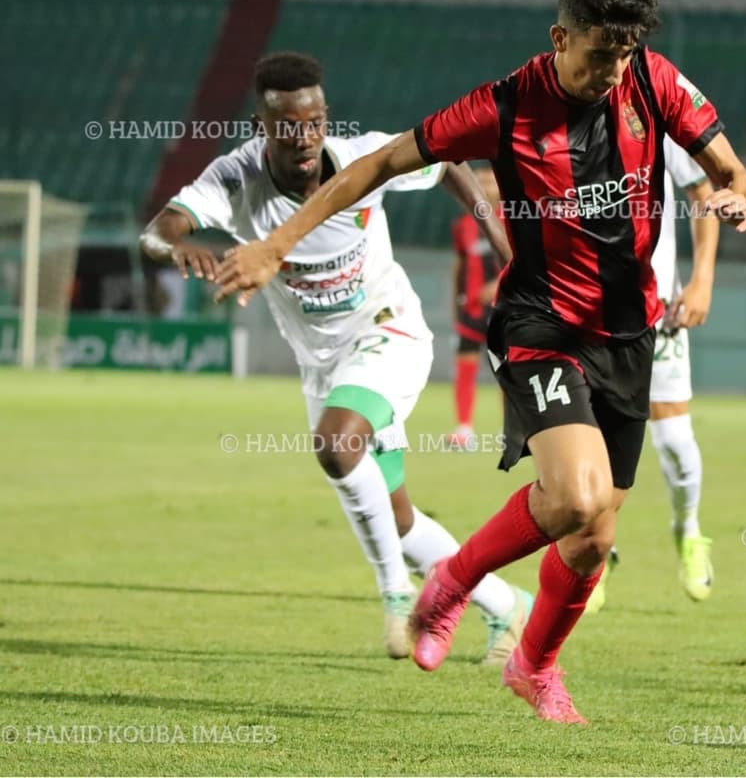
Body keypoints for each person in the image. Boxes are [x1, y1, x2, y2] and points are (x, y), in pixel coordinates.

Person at [213, 0, 746, 725]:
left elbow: (734, 175)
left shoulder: (653, 80)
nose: (611, 73)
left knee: (594, 538)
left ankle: (534, 667)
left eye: (623, 55)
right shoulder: (503, 106)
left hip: (630, 335)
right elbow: (380, 164)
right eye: (600, 55)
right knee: (575, 497)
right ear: (560, 39)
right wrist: (278, 243)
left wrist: (741, 200)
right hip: (542, 326)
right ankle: (452, 582)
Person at [141, 51, 532, 666]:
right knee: (399, 524)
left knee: (336, 444)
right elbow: (158, 230)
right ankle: (509, 605)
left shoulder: (360, 160)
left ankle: (395, 597)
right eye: (289, 124)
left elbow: (450, 159)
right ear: (261, 126)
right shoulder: (234, 178)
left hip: (389, 331)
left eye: (316, 120)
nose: (305, 136)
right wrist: (178, 250)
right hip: (324, 366)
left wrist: (496, 234)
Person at [585, 136, 718, 614]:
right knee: (585, 444)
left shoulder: (657, 117)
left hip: (656, 310)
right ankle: (595, 554)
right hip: (582, 309)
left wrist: (701, 280)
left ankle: (688, 531)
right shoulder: (556, 119)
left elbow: (703, 195)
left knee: (676, 442)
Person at [447, 166, 502, 448]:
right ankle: (464, 429)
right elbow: (460, 264)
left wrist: (497, 286)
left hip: (503, 310)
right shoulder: (464, 224)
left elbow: (524, 260)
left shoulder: (513, 219)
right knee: (465, 367)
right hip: (471, 309)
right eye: (478, 181)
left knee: (508, 372)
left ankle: (511, 432)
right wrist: (454, 298)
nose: (483, 186)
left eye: (489, 181)